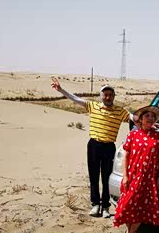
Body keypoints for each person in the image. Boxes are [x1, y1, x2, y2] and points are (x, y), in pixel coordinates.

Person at [51, 77, 137, 218]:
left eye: (110, 95)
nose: (108, 97)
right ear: (101, 96)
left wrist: (150, 123)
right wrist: (61, 90)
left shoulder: (120, 111)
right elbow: (75, 99)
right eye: (105, 94)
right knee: (94, 176)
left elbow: (135, 118)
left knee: (107, 178)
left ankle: (105, 207)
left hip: (109, 147)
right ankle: (95, 204)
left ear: (114, 96)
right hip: (94, 145)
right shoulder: (93, 106)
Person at [113, 106, 159, 233]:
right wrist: (125, 176)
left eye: (152, 116)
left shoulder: (158, 137)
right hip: (132, 177)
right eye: (147, 116)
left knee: (141, 209)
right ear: (141, 119)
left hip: (148, 180)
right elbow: (126, 156)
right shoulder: (133, 135)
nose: (150, 118)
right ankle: (128, 231)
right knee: (127, 206)